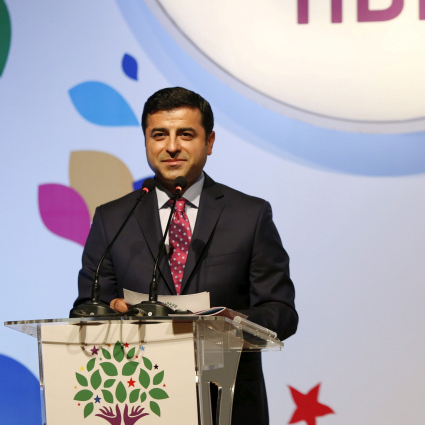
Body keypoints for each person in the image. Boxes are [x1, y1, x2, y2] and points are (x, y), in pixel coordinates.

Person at [74, 87, 298, 425]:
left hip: (229, 405)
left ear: (209, 142)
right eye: (159, 135)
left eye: (186, 134)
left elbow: (282, 312)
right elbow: (86, 310)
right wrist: (116, 314)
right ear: (146, 141)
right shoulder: (112, 219)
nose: (172, 146)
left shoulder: (249, 215)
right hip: (140, 401)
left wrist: (231, 324)